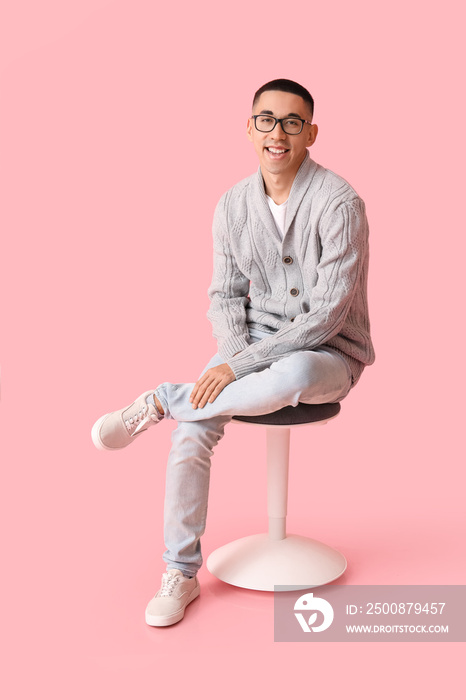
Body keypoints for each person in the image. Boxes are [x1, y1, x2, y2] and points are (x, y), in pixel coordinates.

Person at [92, 78, 375, 627]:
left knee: (287, 371)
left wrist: (235, 368)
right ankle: (179, 572)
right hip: (245, 345)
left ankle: (160, 400)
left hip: (328, 354)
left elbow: (328, 315)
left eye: (293, 122)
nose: (278, 133)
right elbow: (224, 295)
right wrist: (235, 353)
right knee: (193, 431)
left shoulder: (341, 202)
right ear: (249, 129)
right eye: (266, 120)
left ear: (311, 133)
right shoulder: (231, 204)